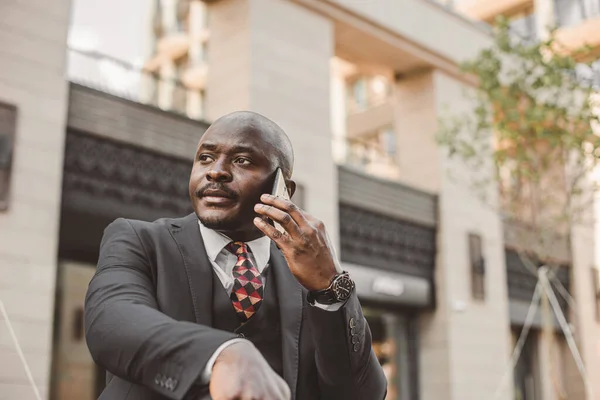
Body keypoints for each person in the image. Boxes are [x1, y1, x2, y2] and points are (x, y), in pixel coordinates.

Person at [84, 111, 387, 400]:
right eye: (205, 158)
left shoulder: (308, 276)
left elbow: (363, 394)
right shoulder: (139, 240)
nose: (215, 171)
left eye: (242, 161)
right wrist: (221, 354)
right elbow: (111, 323)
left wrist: (330, 289)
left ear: (283, 189)